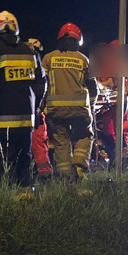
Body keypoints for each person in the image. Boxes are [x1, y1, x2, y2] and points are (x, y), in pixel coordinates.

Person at [0, 11, 45, 190]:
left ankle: (4, 197)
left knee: (1, 160)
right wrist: (34, 109)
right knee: (24, 158)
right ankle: (26, 194)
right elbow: (41, 83)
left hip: (0, 118)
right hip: (26, 119)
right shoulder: (30, 51)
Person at [42, 23, 97, 181]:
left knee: (61, 141)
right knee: (85, 135)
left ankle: (65, 176)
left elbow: (41, 84)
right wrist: (91, 106)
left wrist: (41, 106)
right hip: (80, 109)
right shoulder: (84, 60)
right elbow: (93, 89)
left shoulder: (48, 58)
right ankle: (79, 166)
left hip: (55, 110)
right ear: (78, 40)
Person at [26, 38, 52, 179]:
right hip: (35, 114)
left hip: (28, 113)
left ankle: (37, 173)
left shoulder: (29, 68)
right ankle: (44, 174)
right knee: (39, 145)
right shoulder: (39, 70)